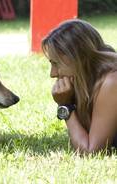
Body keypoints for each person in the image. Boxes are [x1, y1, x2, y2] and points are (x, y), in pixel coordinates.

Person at [41, 19, 117, 153]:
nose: (52, 74)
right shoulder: (91, 82)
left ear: (79, 59)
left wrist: (65, 107)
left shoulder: (111, 81)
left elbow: (90, 151)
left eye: (56, 63)